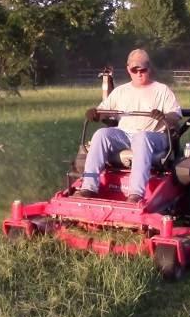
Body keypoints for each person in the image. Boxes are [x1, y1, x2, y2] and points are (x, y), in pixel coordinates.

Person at [74, 49, 182, 203]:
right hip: (124, 134)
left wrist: (164, 116)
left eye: (142, 69)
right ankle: (88, 187)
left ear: (149, 68)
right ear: (128, 69)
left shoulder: (162, 90)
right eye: (134, 70)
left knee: (141, 137)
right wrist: (96, 113)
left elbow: (175, 114)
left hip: (153, 136)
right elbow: (104, 111)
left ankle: (135, 194)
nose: (139, 73)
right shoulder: (121, 91)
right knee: (101, 134)